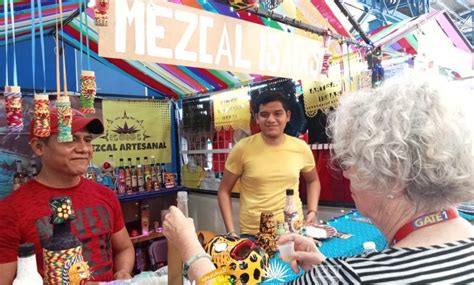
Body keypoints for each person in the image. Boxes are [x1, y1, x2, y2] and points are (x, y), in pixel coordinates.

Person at [163, 71, 474, 284]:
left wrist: (192, 252)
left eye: (352, 161)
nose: (347, 173)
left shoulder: (346, 276)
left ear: (393, 177)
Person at [0, 108, 135, 284]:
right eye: (70, 138)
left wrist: (123, 271)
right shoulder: (11, 210)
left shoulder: (106, 195)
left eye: (87, 140)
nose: (84, 149)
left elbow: (124, 248)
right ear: (39, 146)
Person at [217, 90, 321, 239]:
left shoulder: (301, 147)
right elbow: (223, 191)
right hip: (254, 234)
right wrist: (231, 232)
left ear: (288, 116)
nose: (271, 119)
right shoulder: (242, 149)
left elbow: (313, 180)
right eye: (264, 114)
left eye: (278, 113)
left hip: (292, 229)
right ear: (257, 118)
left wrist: (312, 212)